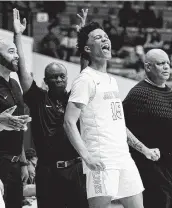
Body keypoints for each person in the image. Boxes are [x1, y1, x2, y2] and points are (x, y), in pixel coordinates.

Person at [64, 18, 160, 208]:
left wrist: (144, 149)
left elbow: (118, 123)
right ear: (88, 49)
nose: (105, 39)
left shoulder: (111, 81)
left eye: (106, 36)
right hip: (101, 158)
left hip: (123, 157)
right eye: (98, 37)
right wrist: (87, 157)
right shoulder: (85, 80)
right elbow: (68, 122)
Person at [13, 8, 88, 208]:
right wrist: (18, 35)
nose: (58, 79)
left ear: (67, 78)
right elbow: (22, 69)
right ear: (45, 80)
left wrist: (82, 37)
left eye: (62, 76)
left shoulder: (74, 98)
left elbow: (85, 70)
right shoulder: (37, 98)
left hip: (74, 169)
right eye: (53, 77)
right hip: (47, 172)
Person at [123, 48, 172, 208]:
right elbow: (119, 126)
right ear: (148, 67)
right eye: (160, 63)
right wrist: (144, 149)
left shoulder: (170, 92)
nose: (166, 67)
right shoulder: (138, 94)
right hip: (150, 166)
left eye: (168, 63)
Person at [0, 22, 32, 208]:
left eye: (17, 52)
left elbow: (18, 127)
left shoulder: (14, 84)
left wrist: (22, 162)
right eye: (11, 51)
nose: (17, 56)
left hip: (14, 163)